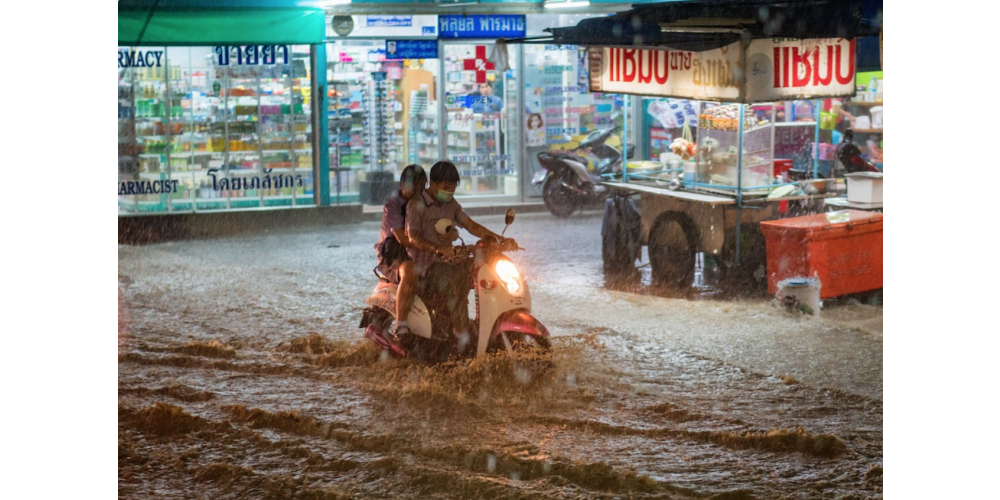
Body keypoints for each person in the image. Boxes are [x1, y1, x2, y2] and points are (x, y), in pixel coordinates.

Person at [398, 161, 515, 343]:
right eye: (446, 187)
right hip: (425, 267)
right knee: (456, 280)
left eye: (453, 188)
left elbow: (470, 225)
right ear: (433, 184)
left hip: (448, 262)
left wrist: (498, 239)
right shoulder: (416, 204)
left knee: (486, 270)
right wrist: (437, 249)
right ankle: (460, 334)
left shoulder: (451, 205)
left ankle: (488, 323)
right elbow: (413, 238)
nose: (449, 192)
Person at [374, 165, 428, 335]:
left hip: (418, 252)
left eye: (421, 187)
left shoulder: (426, 205)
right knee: (410, 271)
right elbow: (403, 239)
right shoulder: (393, 207)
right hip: (394, 256)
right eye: (414, 186)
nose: (417, 192)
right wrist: (433, 246)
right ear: (402, 184)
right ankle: (401, 324)